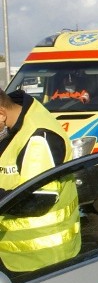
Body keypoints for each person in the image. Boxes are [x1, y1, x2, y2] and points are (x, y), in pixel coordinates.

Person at [0, 89, 80, 272]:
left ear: (2, 114)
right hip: (14, 255)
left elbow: (39, 201)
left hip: (43, 258)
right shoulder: (14, 124)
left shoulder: (38, 137)